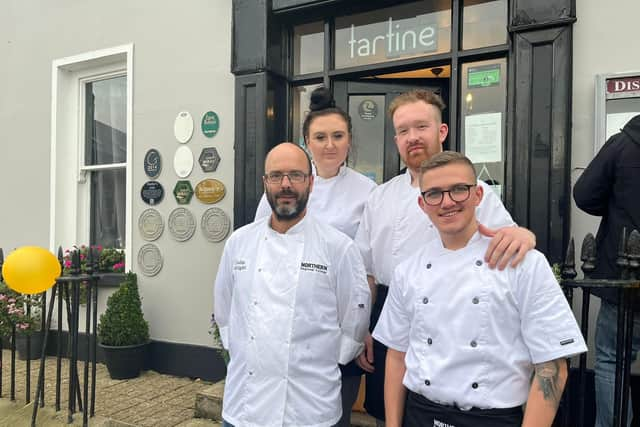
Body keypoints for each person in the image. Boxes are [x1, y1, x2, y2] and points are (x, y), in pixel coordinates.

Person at [354, 89, 537, 425]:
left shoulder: (470, 191)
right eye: (403, 131)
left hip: (457, 316)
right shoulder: (379, 198)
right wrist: (363, 327)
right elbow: (365, 272)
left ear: (442, 132)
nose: (413, 137)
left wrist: (526, 236)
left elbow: (511, 239)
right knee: (387, 410)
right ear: (396, 139)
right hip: (391, 314)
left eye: (421, 127)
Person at [373, 151, 587, 427]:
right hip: (420, 415)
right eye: (434, 194)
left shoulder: (523, 264)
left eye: (458, 190)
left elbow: (552, 368)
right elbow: (397, 355)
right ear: (422, 203)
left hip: (492, 419)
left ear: (477, 195)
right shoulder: (407, 270)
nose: (447, 202)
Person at [214, 142, 371, 427]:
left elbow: (354, 324)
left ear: (311, 183)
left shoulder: (339, 248)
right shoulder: (238, 243)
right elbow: (225, 315)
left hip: (312, 407)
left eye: (296, 175)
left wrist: (312, 365)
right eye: (276, 176)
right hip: (245, 407)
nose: (285, 184)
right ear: (265, 183)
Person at [255, 87, 377, 426]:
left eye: (337, 136)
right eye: (320, 137)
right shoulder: (286, 184)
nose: (329, 144)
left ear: (349, 140)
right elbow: (259, 249)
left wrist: (361, 326)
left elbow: (367, 270)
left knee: (333, 412)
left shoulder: (368, 191)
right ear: (307, 141)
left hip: (338, 318)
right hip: (282, 315)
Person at [573, 114, 640, 427]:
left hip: (624, 277)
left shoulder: (624, 143)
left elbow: (585, 194)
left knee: (613, 361)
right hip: (624, 274)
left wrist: (616, 207)